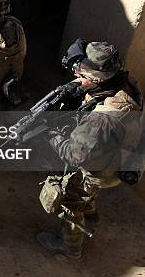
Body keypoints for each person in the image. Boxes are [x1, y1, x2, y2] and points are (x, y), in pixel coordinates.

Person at [37, 40, 144, 259]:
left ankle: (70, 245)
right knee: (87, 195)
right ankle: (92, 220)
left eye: (82, 77)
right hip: (122, 155)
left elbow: (75, 155)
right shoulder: (125, 83)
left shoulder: (102, 120)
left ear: (97, 78)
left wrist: (49, 133)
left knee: (71, 201)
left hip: (102, 169)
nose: (78, 79)